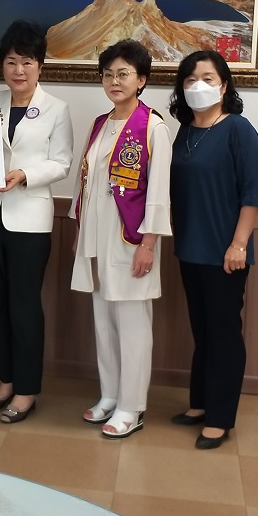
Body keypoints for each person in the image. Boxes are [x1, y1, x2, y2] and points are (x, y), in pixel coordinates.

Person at [0, 21, 73, 424]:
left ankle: (27, 390)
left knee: (24, 307)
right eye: (11, 61)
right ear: (2, 65)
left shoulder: (57, 109)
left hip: (29, 221)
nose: (19, 70)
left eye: (27, 62)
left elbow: (62, 162)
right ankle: (6, 381)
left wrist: (25, 174)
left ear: (40, 65)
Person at [70, 40, 172, 439]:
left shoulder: (153, 127)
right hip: (96, 238)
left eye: (124, 74)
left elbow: (159, 192)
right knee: (104, 321)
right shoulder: (100, 123)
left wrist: (148, 244)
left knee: (132, 326)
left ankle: (132, 405)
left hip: (131, 241)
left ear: (141, 80)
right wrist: (79, 230)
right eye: (108, 74)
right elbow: (86, 182)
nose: (115, 81)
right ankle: (110, 394)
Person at [169, 49, 258, 449]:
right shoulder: (184, 131)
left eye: (207, 78)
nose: (198, 86)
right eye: (190, 79)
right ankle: (201, 403)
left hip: (226, 252)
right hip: (190, 249)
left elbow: (252, 192)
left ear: (224, 86)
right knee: (203, 331)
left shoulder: (239, 129)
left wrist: (239, 243)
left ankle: (220, 418)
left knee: (224, 334)